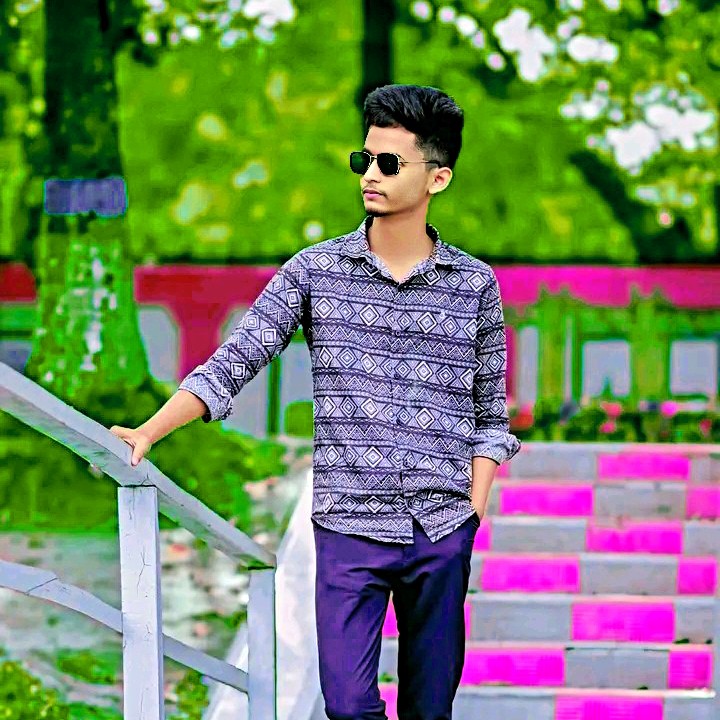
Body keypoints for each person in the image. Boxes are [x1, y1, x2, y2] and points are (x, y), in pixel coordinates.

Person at [110, 83, 521, 720]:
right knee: (348, 706)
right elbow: (236, 359)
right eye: (365, 159)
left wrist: (474, 505)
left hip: (441, 530)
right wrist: (149, 431)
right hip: (348, 527)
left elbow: (491, 415)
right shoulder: (314, 271)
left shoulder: (474, 285)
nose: (371, 175)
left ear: (437, 178)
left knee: (429, 710)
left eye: (390, 163)